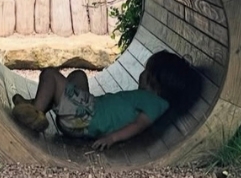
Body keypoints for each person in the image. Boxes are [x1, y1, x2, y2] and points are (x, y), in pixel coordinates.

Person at [11, 50, 201, 150]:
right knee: (78, 76)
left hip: (85, 117)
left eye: (146, 71)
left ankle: (35, 113)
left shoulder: (154, 103)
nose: (141, 74)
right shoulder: (154, 100)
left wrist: (112, 138)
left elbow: (139, 125)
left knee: (50, 74)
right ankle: (39, 102)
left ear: (153, 80)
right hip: (87, 111)